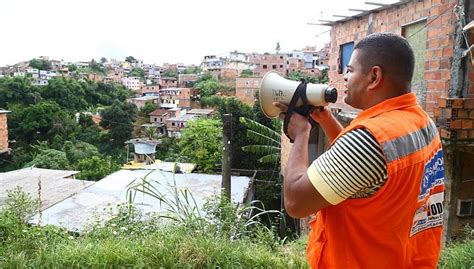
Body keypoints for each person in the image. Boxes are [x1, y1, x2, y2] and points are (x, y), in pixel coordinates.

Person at [274, 32, 445, 268]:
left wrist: (301, 133)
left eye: (351, 70)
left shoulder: (369, 140)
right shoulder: (421, 121)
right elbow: (366, 171)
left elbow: (295, 202)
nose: (344, 77)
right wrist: (326, 121)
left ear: (374, 76)